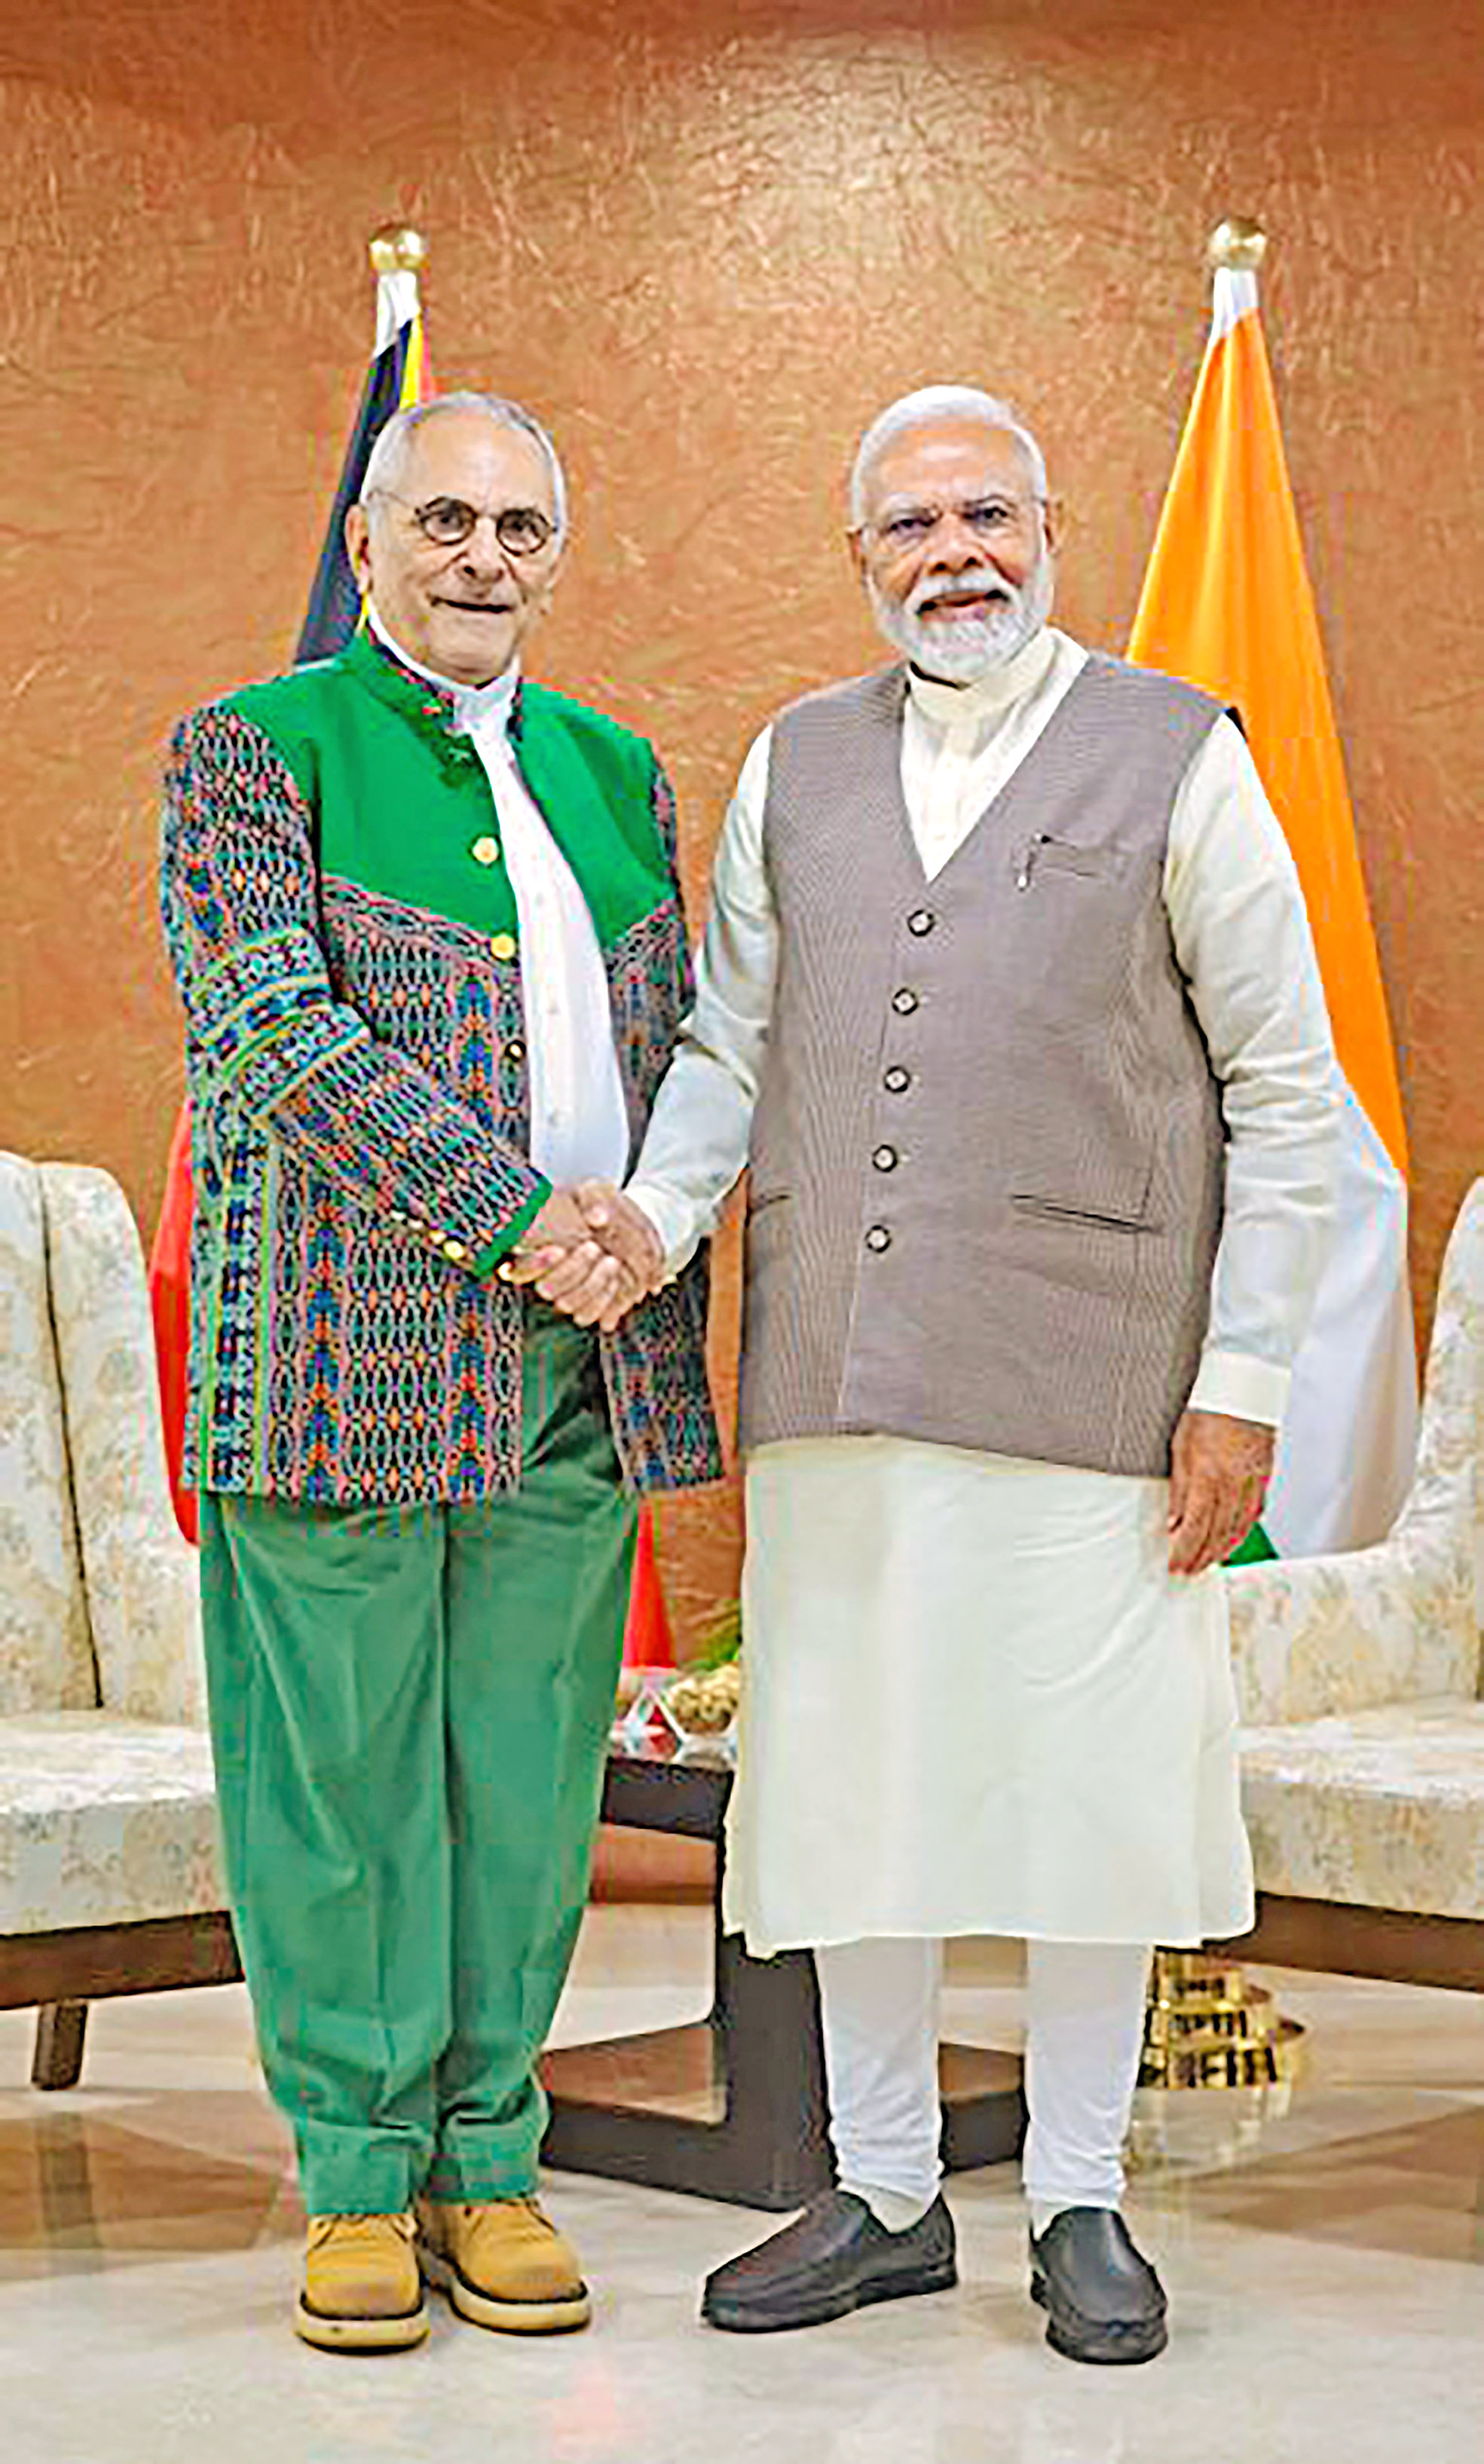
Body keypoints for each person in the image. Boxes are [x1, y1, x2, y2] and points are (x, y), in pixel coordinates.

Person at [513, 384, 1341, 2365]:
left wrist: (1239, 1386)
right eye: (910, 524)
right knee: (857, 1793)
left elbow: (1289, 1099)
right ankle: (883, 2191)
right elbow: (725, 1047)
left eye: (987, 514)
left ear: (1050, 528)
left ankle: (1076, 2197)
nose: (953, 552)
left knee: (1085, 1805)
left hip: (1100, 1389)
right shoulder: (796, 760)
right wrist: (645, 1221)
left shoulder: (1178, 754)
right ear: (860, 553)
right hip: (835, 1373)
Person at [159, 391, 718, 2352]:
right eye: (448, 520)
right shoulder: (251, 749)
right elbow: (266, 1033)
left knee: (524, 1786)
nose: (485, 557)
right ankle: (352, 2182)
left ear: (555, 555)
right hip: (333, 1362)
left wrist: (630, 1231)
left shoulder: (614, 766)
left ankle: (489, 2163)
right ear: (375, 537)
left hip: (580, 1366)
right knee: (338, 1791)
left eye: (521, 528)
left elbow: (683, 1044)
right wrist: (523, 1217)